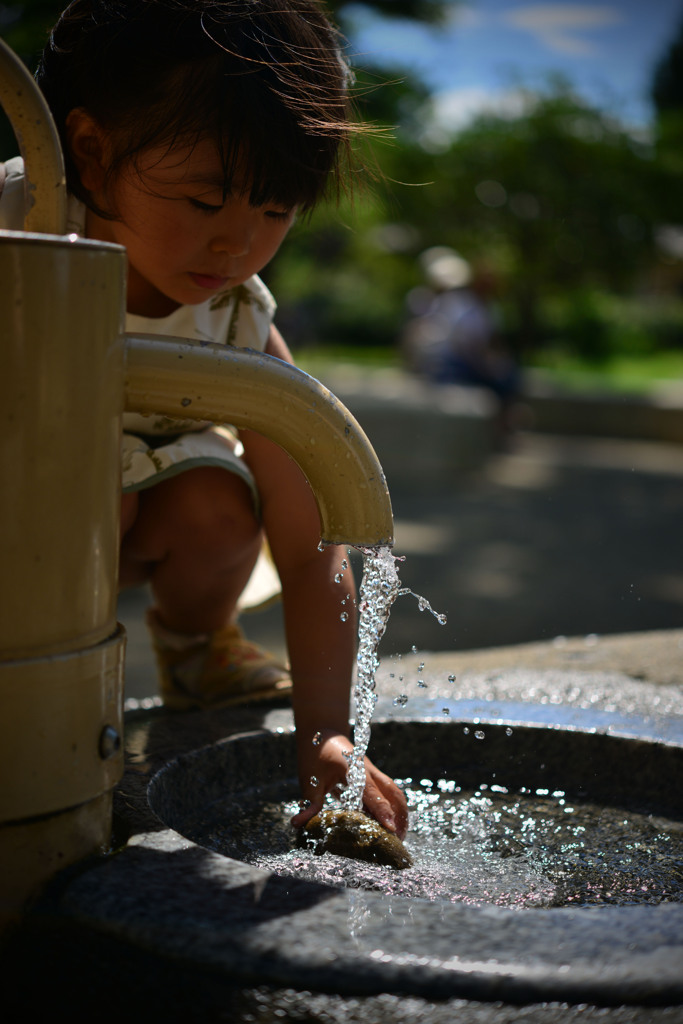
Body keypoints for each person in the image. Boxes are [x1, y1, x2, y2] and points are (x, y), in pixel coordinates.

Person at [0, 0, 407, 838]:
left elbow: (312, 532)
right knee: (92, 503)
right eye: (205, 198)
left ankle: (198, 649)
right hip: (25, 497)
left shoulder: (233, 319)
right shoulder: (24, 228)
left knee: (221, 511)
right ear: (91, 153)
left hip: (141, 499)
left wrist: (329, 730)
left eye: (274, 209)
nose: (237, 245)